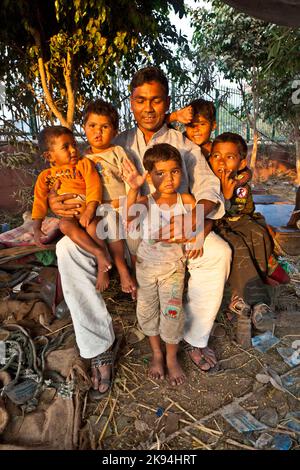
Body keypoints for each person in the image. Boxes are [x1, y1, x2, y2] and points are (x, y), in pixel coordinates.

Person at [49, 66, 231, 394]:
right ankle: (98, 345)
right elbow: (73, 180)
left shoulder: (184, 145)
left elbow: (208, 188)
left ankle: (194, 338)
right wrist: (56, 201)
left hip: (173, 234)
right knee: (66, 249)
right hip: (122, 231)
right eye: (140, 100)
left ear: (167, 103)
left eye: (156, 100)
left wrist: (196, 218)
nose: (148, 108)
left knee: (219, 252)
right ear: (131, 104)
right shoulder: (111, 143)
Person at [123, 143, 200, 385]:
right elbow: (128, 219)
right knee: (147, 311)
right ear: (150, 176)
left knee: (172, 313)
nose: (169, 178)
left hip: (173, 269)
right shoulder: (146, 201)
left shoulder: (184, 198)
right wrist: (133, 190)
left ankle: (171, 358)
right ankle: (157, 353)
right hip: (146, 267)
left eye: (175, 171)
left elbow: (196, 221)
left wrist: (196, 237)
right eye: (160, 173)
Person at [209, 132, 283, 330]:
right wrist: (225, 195)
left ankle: (245, 297)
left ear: (241, 163)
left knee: (259, 235)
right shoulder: (207, 179)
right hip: (216, 223)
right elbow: (215, 213)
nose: (221, 162)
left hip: (239, 220)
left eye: (229, 157)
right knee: (238, 245)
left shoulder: (241, 180)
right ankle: (255, 301)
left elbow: (246, 208)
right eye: (216, 156)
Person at [32, 126, 112, 292]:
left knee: (93, 227)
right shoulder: (46, 177)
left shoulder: (84, 164)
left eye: (74, 144)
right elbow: (39, 202)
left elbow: (93, 186)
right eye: (65, 147)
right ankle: (98, 253)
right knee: (64, 226)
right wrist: (36, 228)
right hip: (69, 216)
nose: (73, 150)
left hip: (87, 209)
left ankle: (103, 270)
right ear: (49, 155)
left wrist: (90, 210)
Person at [82, 99, 136, 297]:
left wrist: (126, 205)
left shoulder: (117, 152)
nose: (98, 132)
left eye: (105, 127)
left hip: (118, 206)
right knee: (92, 226)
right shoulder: (82, 159)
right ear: (84, 128)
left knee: (110, 220)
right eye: (92, 126)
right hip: (94, 208)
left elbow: (130, 181)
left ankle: (121, 267)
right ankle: (103, 265)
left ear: (114, 131)